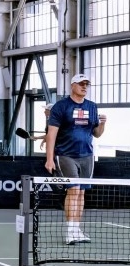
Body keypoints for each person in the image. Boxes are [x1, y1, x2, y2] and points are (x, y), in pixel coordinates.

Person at [45, 73, 107, 245]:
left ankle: (77, 230)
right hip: (65, 154)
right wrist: (49, 159)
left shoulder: (92, 107)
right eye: (81, 83)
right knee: (73, 190)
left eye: (86, 84)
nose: (84, 86)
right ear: (72, 85)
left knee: (81, 192)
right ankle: (70, 232)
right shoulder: (61, 106)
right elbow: (51, 134)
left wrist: (103, 124)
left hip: (87, 155)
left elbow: (97, 134)